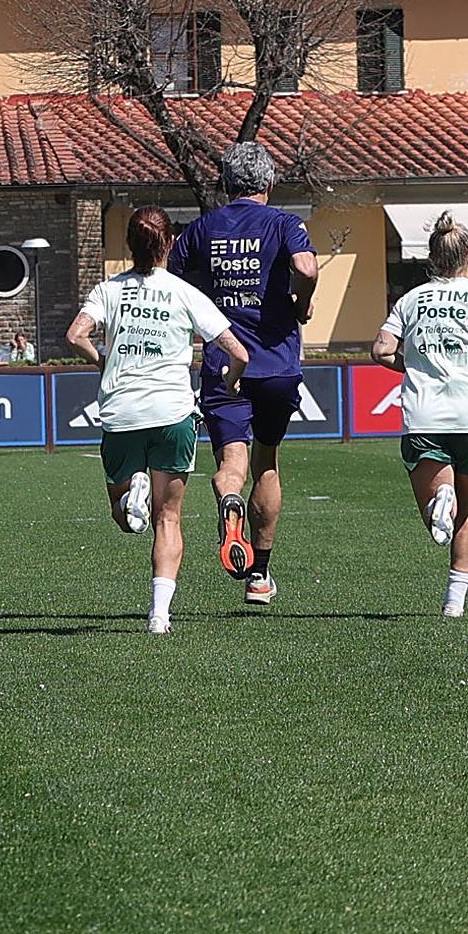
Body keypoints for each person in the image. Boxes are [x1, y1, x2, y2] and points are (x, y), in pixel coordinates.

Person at [67, 206, 249, 634]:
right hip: (172, 413)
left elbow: (75, 335)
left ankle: (132, 495)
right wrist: (230, 380)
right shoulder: (185, 293)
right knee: (169, 519)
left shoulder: (108, 291)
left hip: (122, 412)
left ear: (129, 245)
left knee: (121, 513)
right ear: (170, 243)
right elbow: (238, 351)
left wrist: (102, 360)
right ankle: (159, 615)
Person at [167, 141, 319, 606]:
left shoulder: (201, 229)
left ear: (227, 184)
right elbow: (305, 266)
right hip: (276, 363)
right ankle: (259, 576)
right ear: (269, 183)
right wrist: (302, 300)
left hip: (224, 362)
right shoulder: (284, 223)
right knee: (267, 463)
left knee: (231, 464)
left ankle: (227, 497)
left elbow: (171, 279)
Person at [370, 212, 468, 618]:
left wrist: (412, 365)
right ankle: (454, 602)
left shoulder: (410, 299)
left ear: (432, 258)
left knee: (438, 515)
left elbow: (381, 350)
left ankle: (440, 499)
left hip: (424, 416)